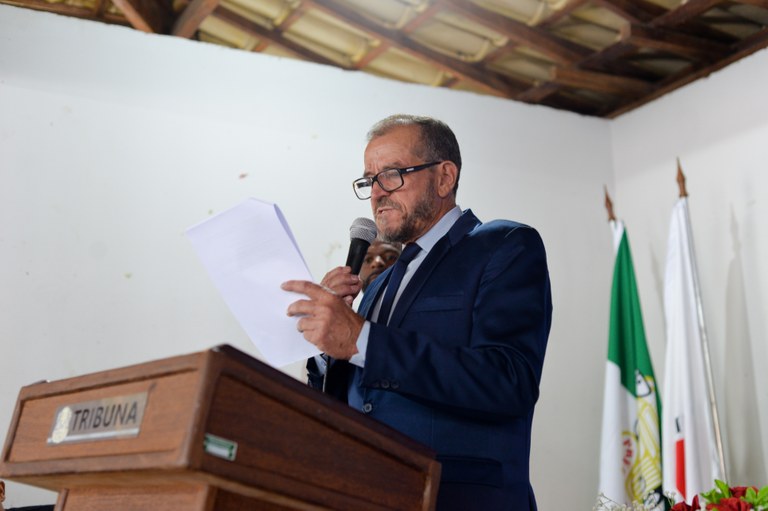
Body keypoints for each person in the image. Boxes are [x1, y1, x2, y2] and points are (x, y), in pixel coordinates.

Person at [282, 114, 552, 510]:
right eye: (369, 180)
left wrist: (359, 338)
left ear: (444, 177)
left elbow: (508, 381)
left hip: (458, 498)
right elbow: (362, 395)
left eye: (391, 175)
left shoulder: (504, 246)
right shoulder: (378, 286)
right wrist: (328, 347)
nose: (377, 193)